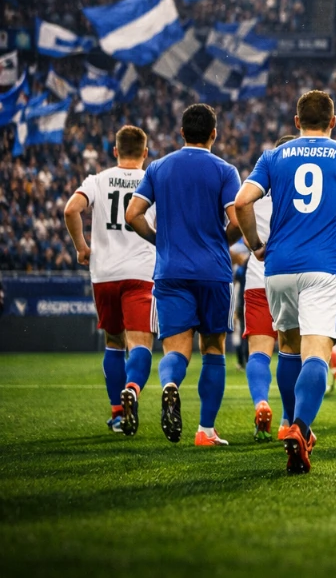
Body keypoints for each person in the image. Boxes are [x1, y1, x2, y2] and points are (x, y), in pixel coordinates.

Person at [235, 90, 336, 474]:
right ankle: (300, 427)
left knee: (288, 347)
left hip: (279, 266)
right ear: (333, 122)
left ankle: (289, 422)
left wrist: (254, 244)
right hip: (325, 268)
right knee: (316, 352)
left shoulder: (273, 157)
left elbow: (242, 202)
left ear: (296, 122)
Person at [125, 104, 243, 447]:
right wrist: (221, 242)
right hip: (213, 272)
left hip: (171, 270)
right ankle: (206, 430)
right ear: (214, 134)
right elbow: (235, 220)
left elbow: (134, 214)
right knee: (213, 349)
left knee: (175, 348)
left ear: (181, 133)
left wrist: (158, 239)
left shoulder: (159, 168)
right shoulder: (225, 170)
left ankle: (170, 386)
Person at [63, 125, 157, 436]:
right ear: (145, 153)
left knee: (114, 342)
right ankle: (132, 388)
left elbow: (71, 209)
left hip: (104, 273)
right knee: (141, 342)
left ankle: (118, 414)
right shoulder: (152, 178)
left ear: (115, 151)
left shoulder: (98, 180)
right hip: (141, 273)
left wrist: (81, 248)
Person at [240, 134, 296, 442]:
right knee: (292, 352)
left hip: (260, 276)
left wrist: (254, 244)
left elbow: (239, 206)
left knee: (259, 351)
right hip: (297, 276)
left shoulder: (261, 180)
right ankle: (288, 420)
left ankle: (261, 401)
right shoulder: (308, 183)